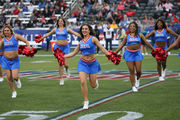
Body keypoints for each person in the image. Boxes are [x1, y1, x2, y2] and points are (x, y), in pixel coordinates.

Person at [64, 24, 110, 109]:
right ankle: (86, 101)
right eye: (83, 29)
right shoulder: (80, 42)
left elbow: (102, 48)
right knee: (82, 82)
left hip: (93, 63)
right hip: (83, 63)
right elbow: (73, 53)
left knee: (93, 85)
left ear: (89, 30)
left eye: (86, 29)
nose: (84, 30)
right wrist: (63, 56)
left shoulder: (93, 38)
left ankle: (95, 83)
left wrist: (109, 55)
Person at [40, 17, 81, 85]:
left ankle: (67, 70)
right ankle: (61, 78)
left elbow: (75, 33)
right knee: (60, 63)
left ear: (63, 22)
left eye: (61, 21)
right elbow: (48, 34)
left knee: (66, 64)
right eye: (59, 21)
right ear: (58, 22)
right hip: (58, 48)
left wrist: (84, 36)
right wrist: (42, 38)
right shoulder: (55, 29)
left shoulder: (67, 29)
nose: (60, 22)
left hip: (65, 47)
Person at [115, 22, 154, 92]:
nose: (132, 27)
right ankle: (133, 86)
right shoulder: (127, 36)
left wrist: (153, 49)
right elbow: (121, 45)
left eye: (133, 26)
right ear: (129, 28)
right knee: (131, 71)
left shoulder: (140, 35)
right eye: (131, 26)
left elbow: (146, 42)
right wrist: (115, 52)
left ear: (136, 28)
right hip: (129, 54)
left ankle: (138, 79)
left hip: (137, 54)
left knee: (139, 71)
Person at [0, 25, 31, 98]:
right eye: (5, 31)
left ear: (11, 31)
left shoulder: (15, 36)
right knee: (9, 77)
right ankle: (13, 91)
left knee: (15, 76)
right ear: (3, 32)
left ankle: (17, 80)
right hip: (6, 60)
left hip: (15, 60)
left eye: (8, 30)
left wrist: (28, 45)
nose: (6, 32)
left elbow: (25, 41)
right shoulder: (3, 40)